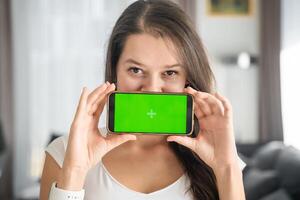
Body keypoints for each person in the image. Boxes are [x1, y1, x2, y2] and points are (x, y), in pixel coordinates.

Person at [40, 0, 246, 199]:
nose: (153, 89)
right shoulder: (64, 152)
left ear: (187, 79)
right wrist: (74, 170)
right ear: (115, 72)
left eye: (170, 72)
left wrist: (226, 167)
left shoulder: (220, 158)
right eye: (136, 70)